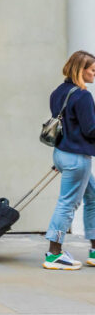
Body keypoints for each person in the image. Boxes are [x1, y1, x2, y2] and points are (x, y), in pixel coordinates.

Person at [43, 50, 95, 270]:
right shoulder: (82, 95)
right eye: (92, 70)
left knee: (93, 196)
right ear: (80, 70)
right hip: (76, 157)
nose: (94, 74)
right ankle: (54, 254)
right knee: (67, 204)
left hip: (62, 153)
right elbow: (90, 129)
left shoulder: (59, 92)